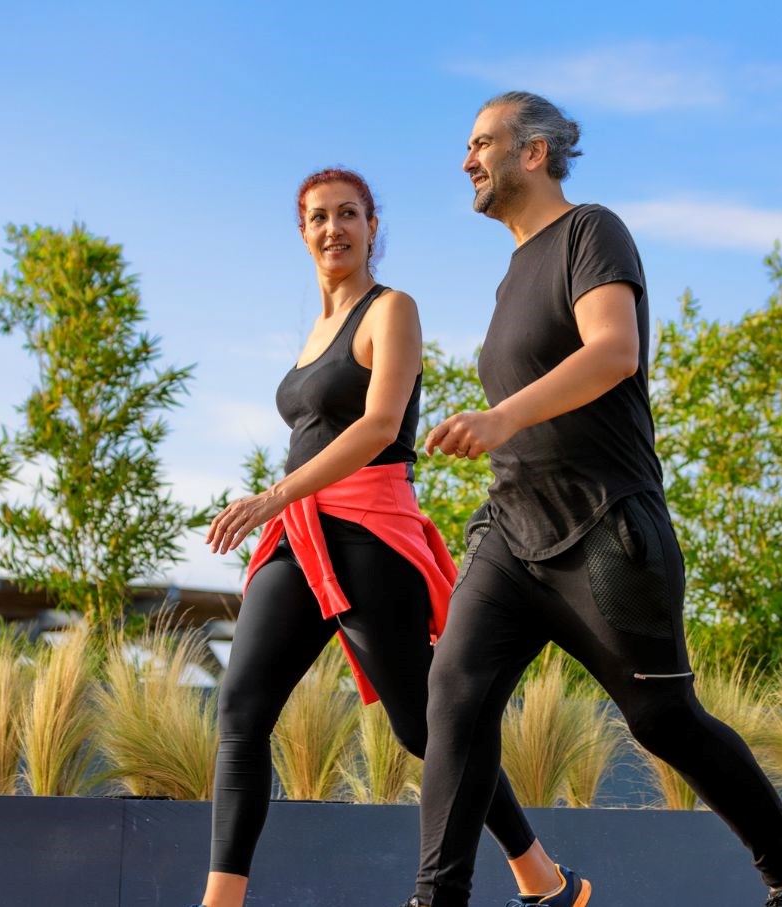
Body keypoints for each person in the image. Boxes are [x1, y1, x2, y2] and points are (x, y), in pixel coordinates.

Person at [400, 93, 782, 907]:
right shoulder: (512, 274)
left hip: (605, 530)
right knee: (454, 697)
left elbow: (614, 350)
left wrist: (501, 416)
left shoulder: (591, 232)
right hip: (511, 529)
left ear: (533, 152)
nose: (467, 161)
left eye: (481, 143)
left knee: (662, 718)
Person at [192, 167, 588, 907]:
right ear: (302, 232)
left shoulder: (391, 309)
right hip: (299, 536)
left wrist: (273, 494)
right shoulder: (315, 333)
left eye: (349, 214)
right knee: (240, 712)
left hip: (369, 534)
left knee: (423, 728)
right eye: (318, 217)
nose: (333, 229)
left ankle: (541, 874)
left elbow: (379, 425)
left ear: (372, 227)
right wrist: (284, 505)